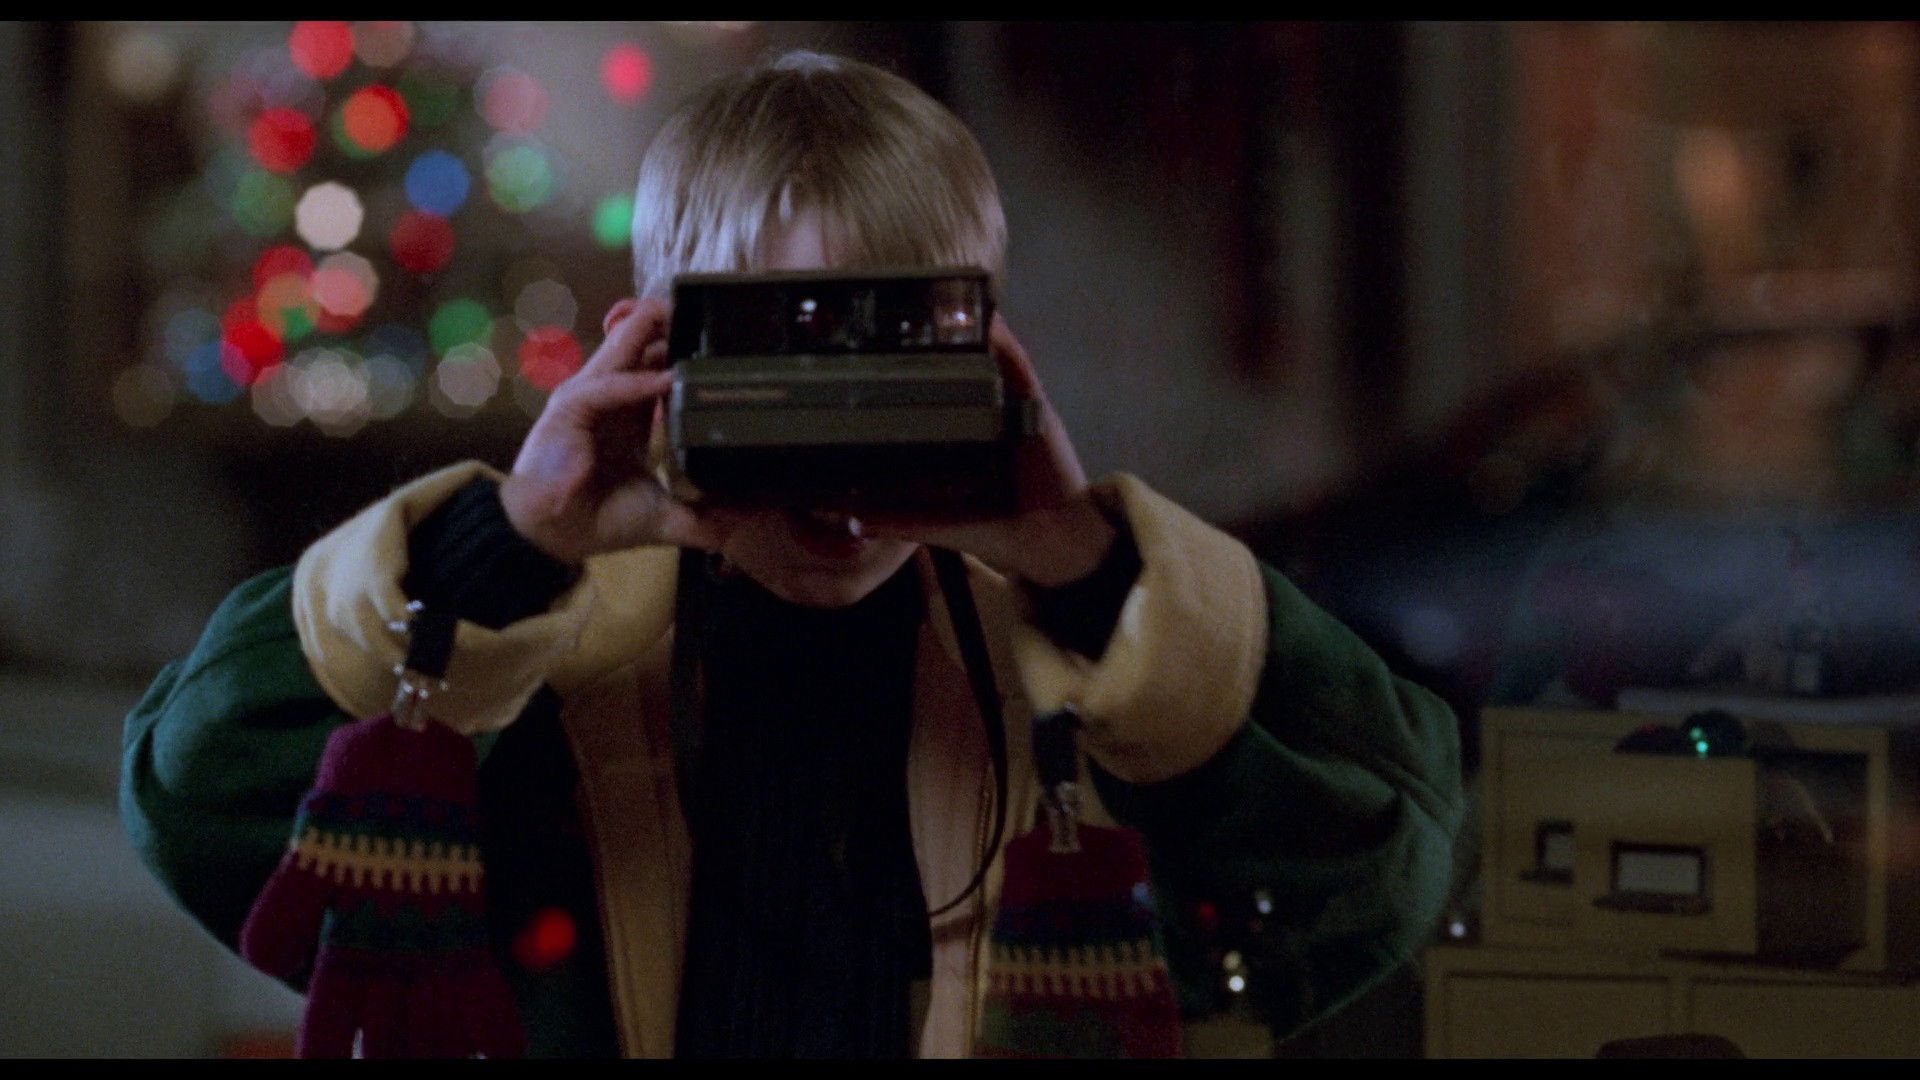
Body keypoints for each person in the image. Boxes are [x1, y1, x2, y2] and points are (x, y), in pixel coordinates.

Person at [122, 50, 1462, 1058]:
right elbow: (198, 795)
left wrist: (1090, 568)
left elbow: (1378, 868)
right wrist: (509, 545)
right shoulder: (546, 669)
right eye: (780, 342)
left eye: (896, 344)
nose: (840, 431)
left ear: (988, 345)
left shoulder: (1078, 675)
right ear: (651, 344)